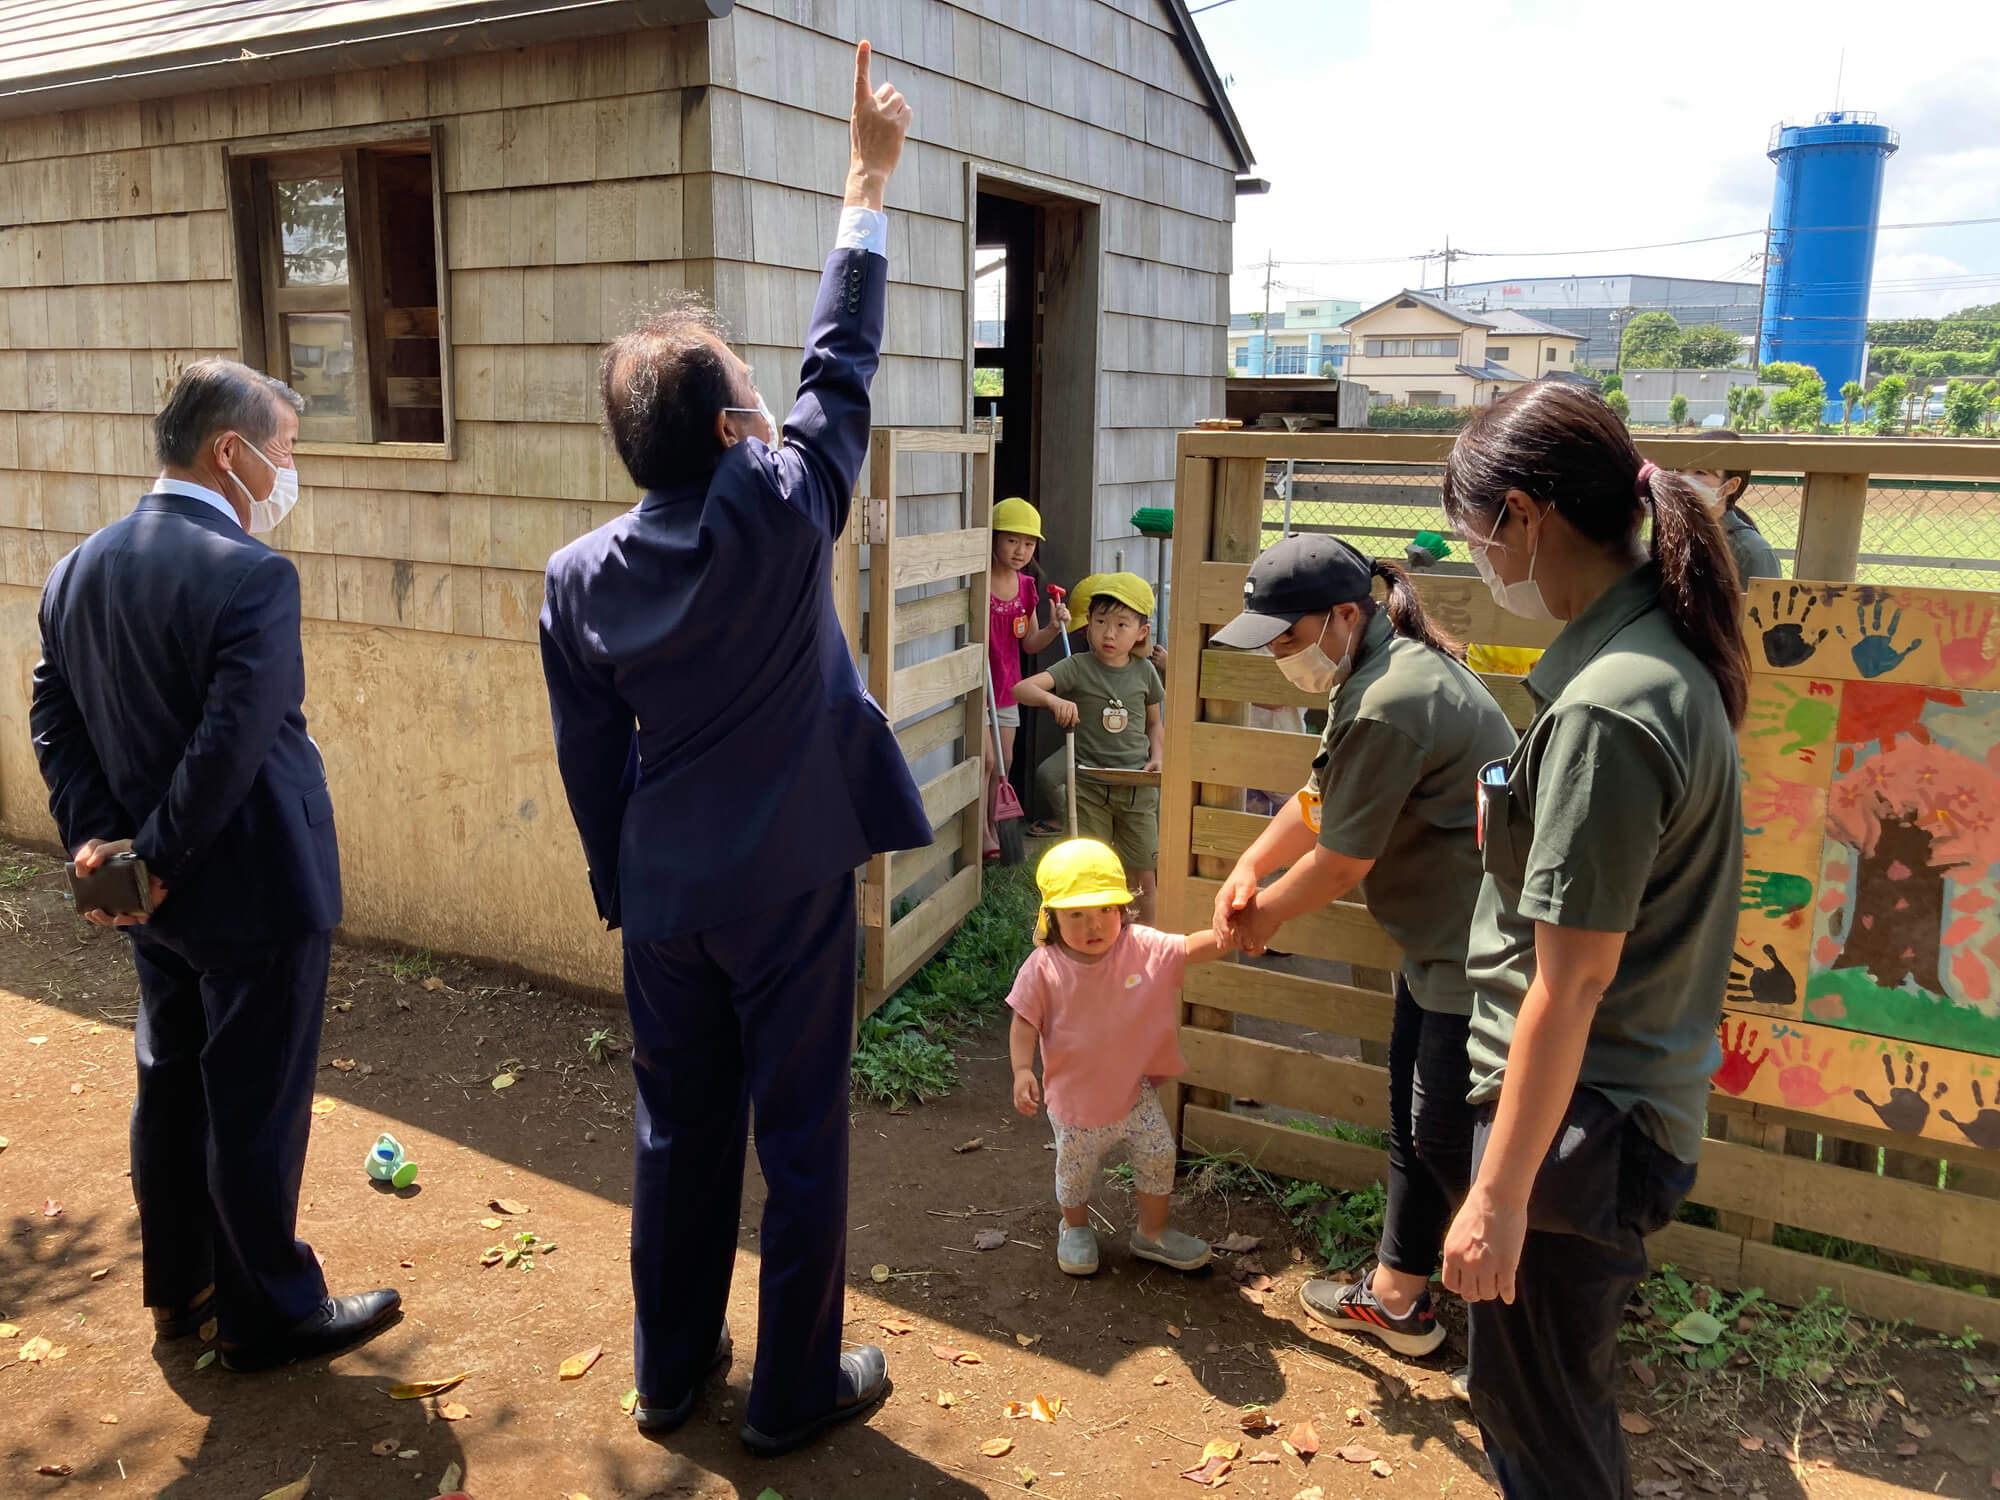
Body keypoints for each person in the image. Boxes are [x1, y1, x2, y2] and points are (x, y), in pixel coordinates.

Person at [537, 42, 920, 1457]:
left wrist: (619, 882)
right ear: (726, 425)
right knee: (801, 1139)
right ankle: (794, 1393)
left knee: (675, 1134)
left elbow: (590, 759)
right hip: (794, 883)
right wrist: (862, 187)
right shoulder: (783, 507)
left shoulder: (579, 575)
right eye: (745, 392)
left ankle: (667, 1369)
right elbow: (843, 361)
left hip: (667, 897)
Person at [30, 358, 399, 1372]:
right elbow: (233, 744)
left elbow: (52, 718)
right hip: (254, 888)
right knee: (252, 1104)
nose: (289, 471)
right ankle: (268, 1312)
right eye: (283, 450)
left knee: (173, 1085)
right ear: (228, 452)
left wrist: (106, 853)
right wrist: (152, 858)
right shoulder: (250, 574)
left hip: (152, 903)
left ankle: (179, 1287)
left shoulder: (78, 569)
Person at [1436, 380, 1747, 1497]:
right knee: (1547, 1403)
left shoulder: (1609, 709)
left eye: (1470, 532)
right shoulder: (1649, 658)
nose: (1469, 554)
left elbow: (1567, 990)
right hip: (1605, 1105)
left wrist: (1495, 1199)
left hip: (1579, 1121)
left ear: (1522, 517)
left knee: (1541, 1425)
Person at [1210, 535, 1516, 1357]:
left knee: (1456, 1147)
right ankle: (1398, 1298)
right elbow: (1321, 797)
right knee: (1416, 1125)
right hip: (1440, 941)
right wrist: (1250, 862)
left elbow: (1344, 858)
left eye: (1284, 634)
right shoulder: (1374, 672)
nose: (1276, 652)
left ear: (1346, 614)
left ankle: (1515, 1350)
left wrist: (1265, 914)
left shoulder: (1391, 698)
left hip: (1478, 951)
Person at [1008, 838, 1227, 1276]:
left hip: (1133, 1093)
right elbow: (1024, 1023)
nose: (1095, 924)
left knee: (1159, 1154)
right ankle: (1074, 1229)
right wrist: (1020, 1071)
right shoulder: (1044, 966)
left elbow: (1187, 948)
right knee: (1075, 1171)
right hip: (1075, 1104)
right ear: (1052, 917)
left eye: (1106, 909)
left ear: (1124, 908)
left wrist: (1228, 933)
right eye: (1077, 914)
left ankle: (1152, 1232)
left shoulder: (1139, 945)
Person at [1013, 573, 1165, 921]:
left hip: (1136, 789)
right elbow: (1023, 689)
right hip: (1089, 787)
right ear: (1088, 626)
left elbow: (1155, 723)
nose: (1109, 633)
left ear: (1141, 632)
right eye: (1100, 622)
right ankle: (1100, 934)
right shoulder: (1077, 667)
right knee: (1096, 865)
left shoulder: (1144, 673)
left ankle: (1146, 943)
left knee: (1143, 872)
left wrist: (1157, 757)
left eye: (1121, 624)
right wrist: (1053, 702)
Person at [986, 497, 1069, 848]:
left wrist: (1052, 627)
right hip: (978, 686)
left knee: (1004, 760)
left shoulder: (1027, 588)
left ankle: (996, 828)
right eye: (1012, 540)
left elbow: (1030, 644)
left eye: (1029, 543)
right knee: (986, 760)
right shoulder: (979, 579)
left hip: (1007, 687)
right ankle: (982, 835)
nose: (1021, 550)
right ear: (992, 538)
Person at [1672, 426, 1778, 580]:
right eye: (1679, 470)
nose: (1683, 480)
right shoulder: (1674, 534)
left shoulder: (1753, 553)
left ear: (1730, 486)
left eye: (1700, 472)